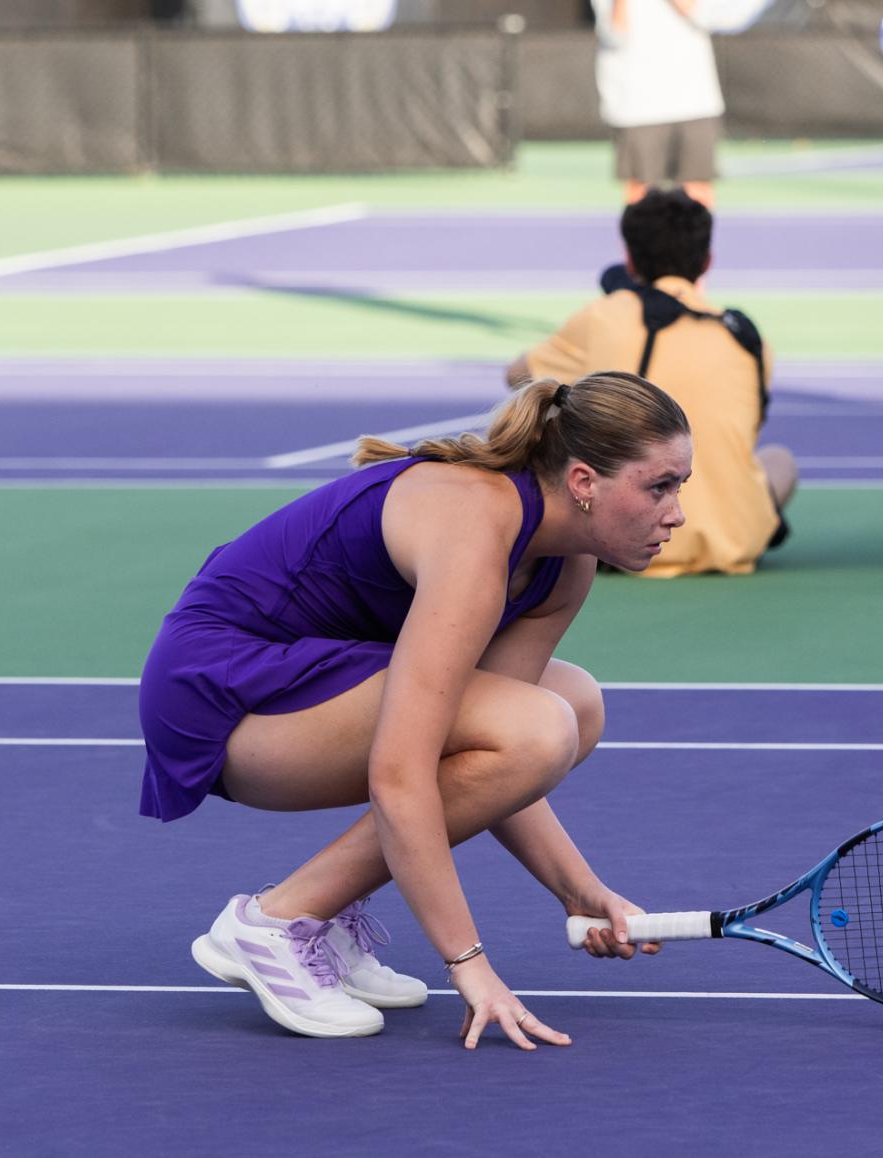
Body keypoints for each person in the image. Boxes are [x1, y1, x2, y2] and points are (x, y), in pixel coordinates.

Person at [138, 373, 692, 1048]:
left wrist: (578, 890)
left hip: (317, 682)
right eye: (659, 486)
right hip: (223, 698)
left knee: (574, 706)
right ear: (583, 482)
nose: (677, 514)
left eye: (680, 487)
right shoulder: (475, 530)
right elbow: (402, 772)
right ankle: (273, 923)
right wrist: (469, 964)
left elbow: (498, 760)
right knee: (543, 723)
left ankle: (316, 914)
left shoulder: (564, 564)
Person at [507, 188, 795, 576]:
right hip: (738, 542)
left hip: (618, 540)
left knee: (560, 415)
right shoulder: (746, 337)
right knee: (780, 462)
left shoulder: (604, 315)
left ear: (629, 259)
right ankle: (724, 527)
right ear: (707, 262)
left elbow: (518, 376)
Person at [593, 0, 724, 207]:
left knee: (697, 192)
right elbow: (614, 34)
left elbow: (711, 17)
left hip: (694, 98)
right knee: (641, 195)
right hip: (637, 105)